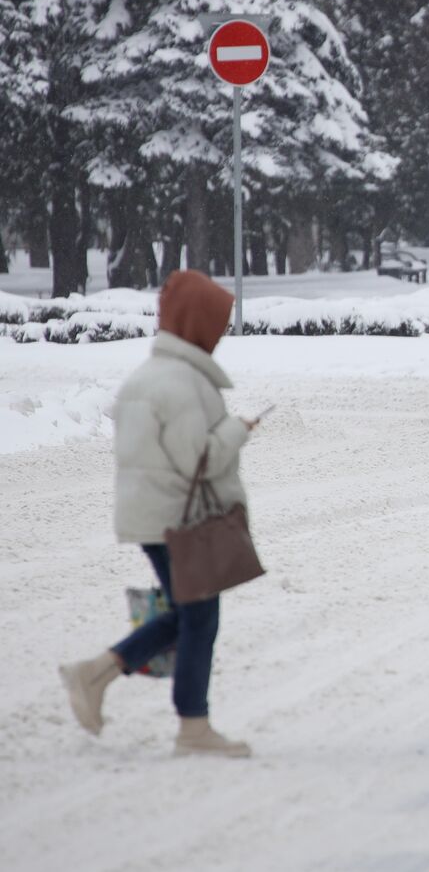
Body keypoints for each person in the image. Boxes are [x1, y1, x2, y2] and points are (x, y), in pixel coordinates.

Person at [58, 271, 258, 758]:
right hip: (180, 521)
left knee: (189, 613)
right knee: (199, 618)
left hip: (152, 517)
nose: (222, 333)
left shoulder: (147, 376)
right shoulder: (185, 383)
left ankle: (96, 674)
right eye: (218, 323)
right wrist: (237, 429)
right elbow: (201, 461)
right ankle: (192, 727)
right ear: (197, 324)